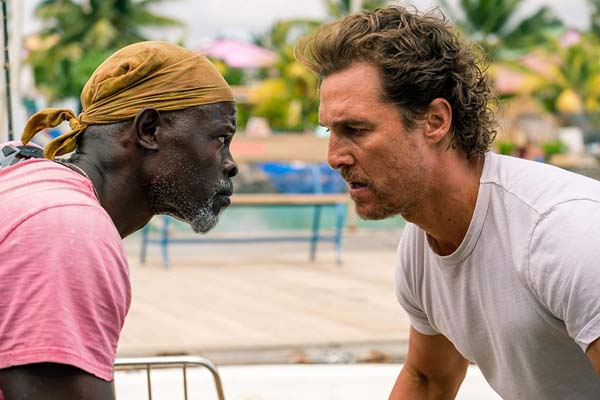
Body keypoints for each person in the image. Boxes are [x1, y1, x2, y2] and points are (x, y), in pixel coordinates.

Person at [295, 5, 600, 399]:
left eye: (355, 129)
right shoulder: (422, 245)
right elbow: (428, 380)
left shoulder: (564, 232)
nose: (334, 157)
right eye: (331, 132)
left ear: (436, 121)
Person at [0, 41, 238, 399]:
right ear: (149, 129)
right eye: (220, 139)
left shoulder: (31, 181)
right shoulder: (65, 229)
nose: (231, 164)